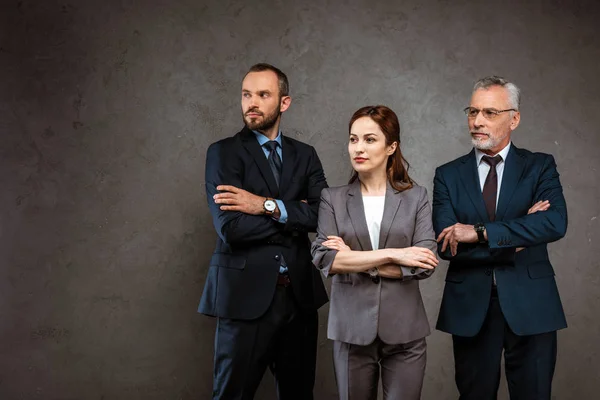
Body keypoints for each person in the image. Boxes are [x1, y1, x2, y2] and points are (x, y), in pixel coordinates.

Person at [433, 76, 568, 399]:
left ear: (514, 118)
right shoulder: (448, 174)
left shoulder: (539, 167)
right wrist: (520, 235)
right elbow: (446, 246)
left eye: (490, 113)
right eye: (473, 111)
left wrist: (478, 233)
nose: (477, 121)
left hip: (533, 304)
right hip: (470, 309)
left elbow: (554, 224)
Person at [199, 63, 329, 400]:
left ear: (284, 103)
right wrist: (291, 212)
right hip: (244, 299)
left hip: (299, 299)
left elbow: (321, 215)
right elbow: (232, 228)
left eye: (262, 94)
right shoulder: (223, 153)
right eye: (246, 94)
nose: (251, 102)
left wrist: (265, 205)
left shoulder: (306, 155)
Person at [311, 105, 439, 400]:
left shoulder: (415, 196)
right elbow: (326, 259)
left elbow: (424, 263)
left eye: (369, 139)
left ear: (391, 146)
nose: (359, 148)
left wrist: (353, 259)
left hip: (405, 332)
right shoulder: (332, 198)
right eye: (353, 139)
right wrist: (396, 255)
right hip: (351, 332)